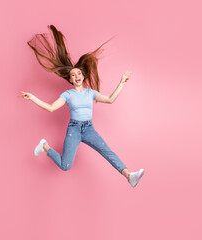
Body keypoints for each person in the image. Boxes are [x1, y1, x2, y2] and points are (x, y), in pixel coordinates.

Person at [19, 25, 144, 187]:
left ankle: (129, 176)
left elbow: (110, 99)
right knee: (66, 166)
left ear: (83, 76)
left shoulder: (91, 93)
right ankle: (45, 146)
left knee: (107, 152)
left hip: (89, 129)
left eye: (78, 73)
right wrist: (33, 97)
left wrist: (121, 83)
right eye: (73, 75)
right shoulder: (68, 95)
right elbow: (50, 108)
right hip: (74, 130)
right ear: (70, 80)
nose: (76, 76)